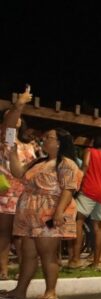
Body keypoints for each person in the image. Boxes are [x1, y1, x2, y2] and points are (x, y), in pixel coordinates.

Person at [0, 129, 82, 299]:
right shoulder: (38, 161)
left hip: (49, 213)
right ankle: (20, 291)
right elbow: (18, 173)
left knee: (47, 253)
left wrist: (59, 212)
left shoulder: (67, 164)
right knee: (27, 253)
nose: (44, 140)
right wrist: (13, 154)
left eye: (48, 138)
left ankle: (51, 292)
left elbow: (69, 189)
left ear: (59, 142)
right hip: (30, 213)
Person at [0, 89, 37, 280]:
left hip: (25, 195)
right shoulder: (7, 141)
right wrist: (19, 104)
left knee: (23, 235)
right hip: (7, 193)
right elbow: (9, 127)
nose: (16, 119)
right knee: (4, 234)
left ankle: (24, 271)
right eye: (11, 117)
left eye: (18, 117)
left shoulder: (29, 145)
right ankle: (3, 270)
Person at [68, 136, 101, 269]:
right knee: (98, 229)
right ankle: (96, 262)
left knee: (79, 221)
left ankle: (75, 259)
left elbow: (85, 166)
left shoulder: (90, 151)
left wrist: (76, 185)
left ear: (94, 144)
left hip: (88, 190)